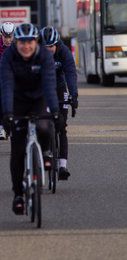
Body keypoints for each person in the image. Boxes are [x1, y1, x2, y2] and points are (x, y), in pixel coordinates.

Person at [0, 23, 60, 215]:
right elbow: (6, 87)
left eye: (30, 42)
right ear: (16, 42)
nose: (26, 46)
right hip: (17, 99)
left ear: (36, 42)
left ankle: (46, 150)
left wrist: (56, 112)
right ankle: (18, 195)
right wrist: (7, 114)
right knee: (17, 148)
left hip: (39, 96)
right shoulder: (8, 56)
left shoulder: (44, 56)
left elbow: (50, 86)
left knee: (44, 125)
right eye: (22, 42)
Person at [41, 26, 78, 181]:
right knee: (42, 125)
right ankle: (43, 154)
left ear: (57, 44)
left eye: (51, 46)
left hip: (59, 87)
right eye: (45, 46)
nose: (48, 49)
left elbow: (70, 72)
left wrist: (74, 95)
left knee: (61, 126)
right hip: (41, 88)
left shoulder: (64, 52)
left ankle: (62, 166)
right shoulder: (35, 53)